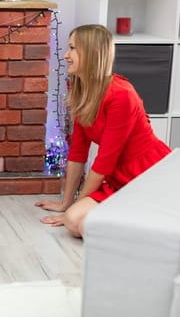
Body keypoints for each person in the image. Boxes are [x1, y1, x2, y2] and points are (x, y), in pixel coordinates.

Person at [35, 24, 171, 237]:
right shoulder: (81, 90)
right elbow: (78, 152)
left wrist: (72, 210)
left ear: (92, 53)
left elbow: (104, 161)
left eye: (73, 48)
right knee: (75, 222)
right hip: (116, 178)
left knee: (75, 221)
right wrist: (66, 203)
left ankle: (151, 231)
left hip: (146, 174)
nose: (65, 55)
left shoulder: (121, 95)